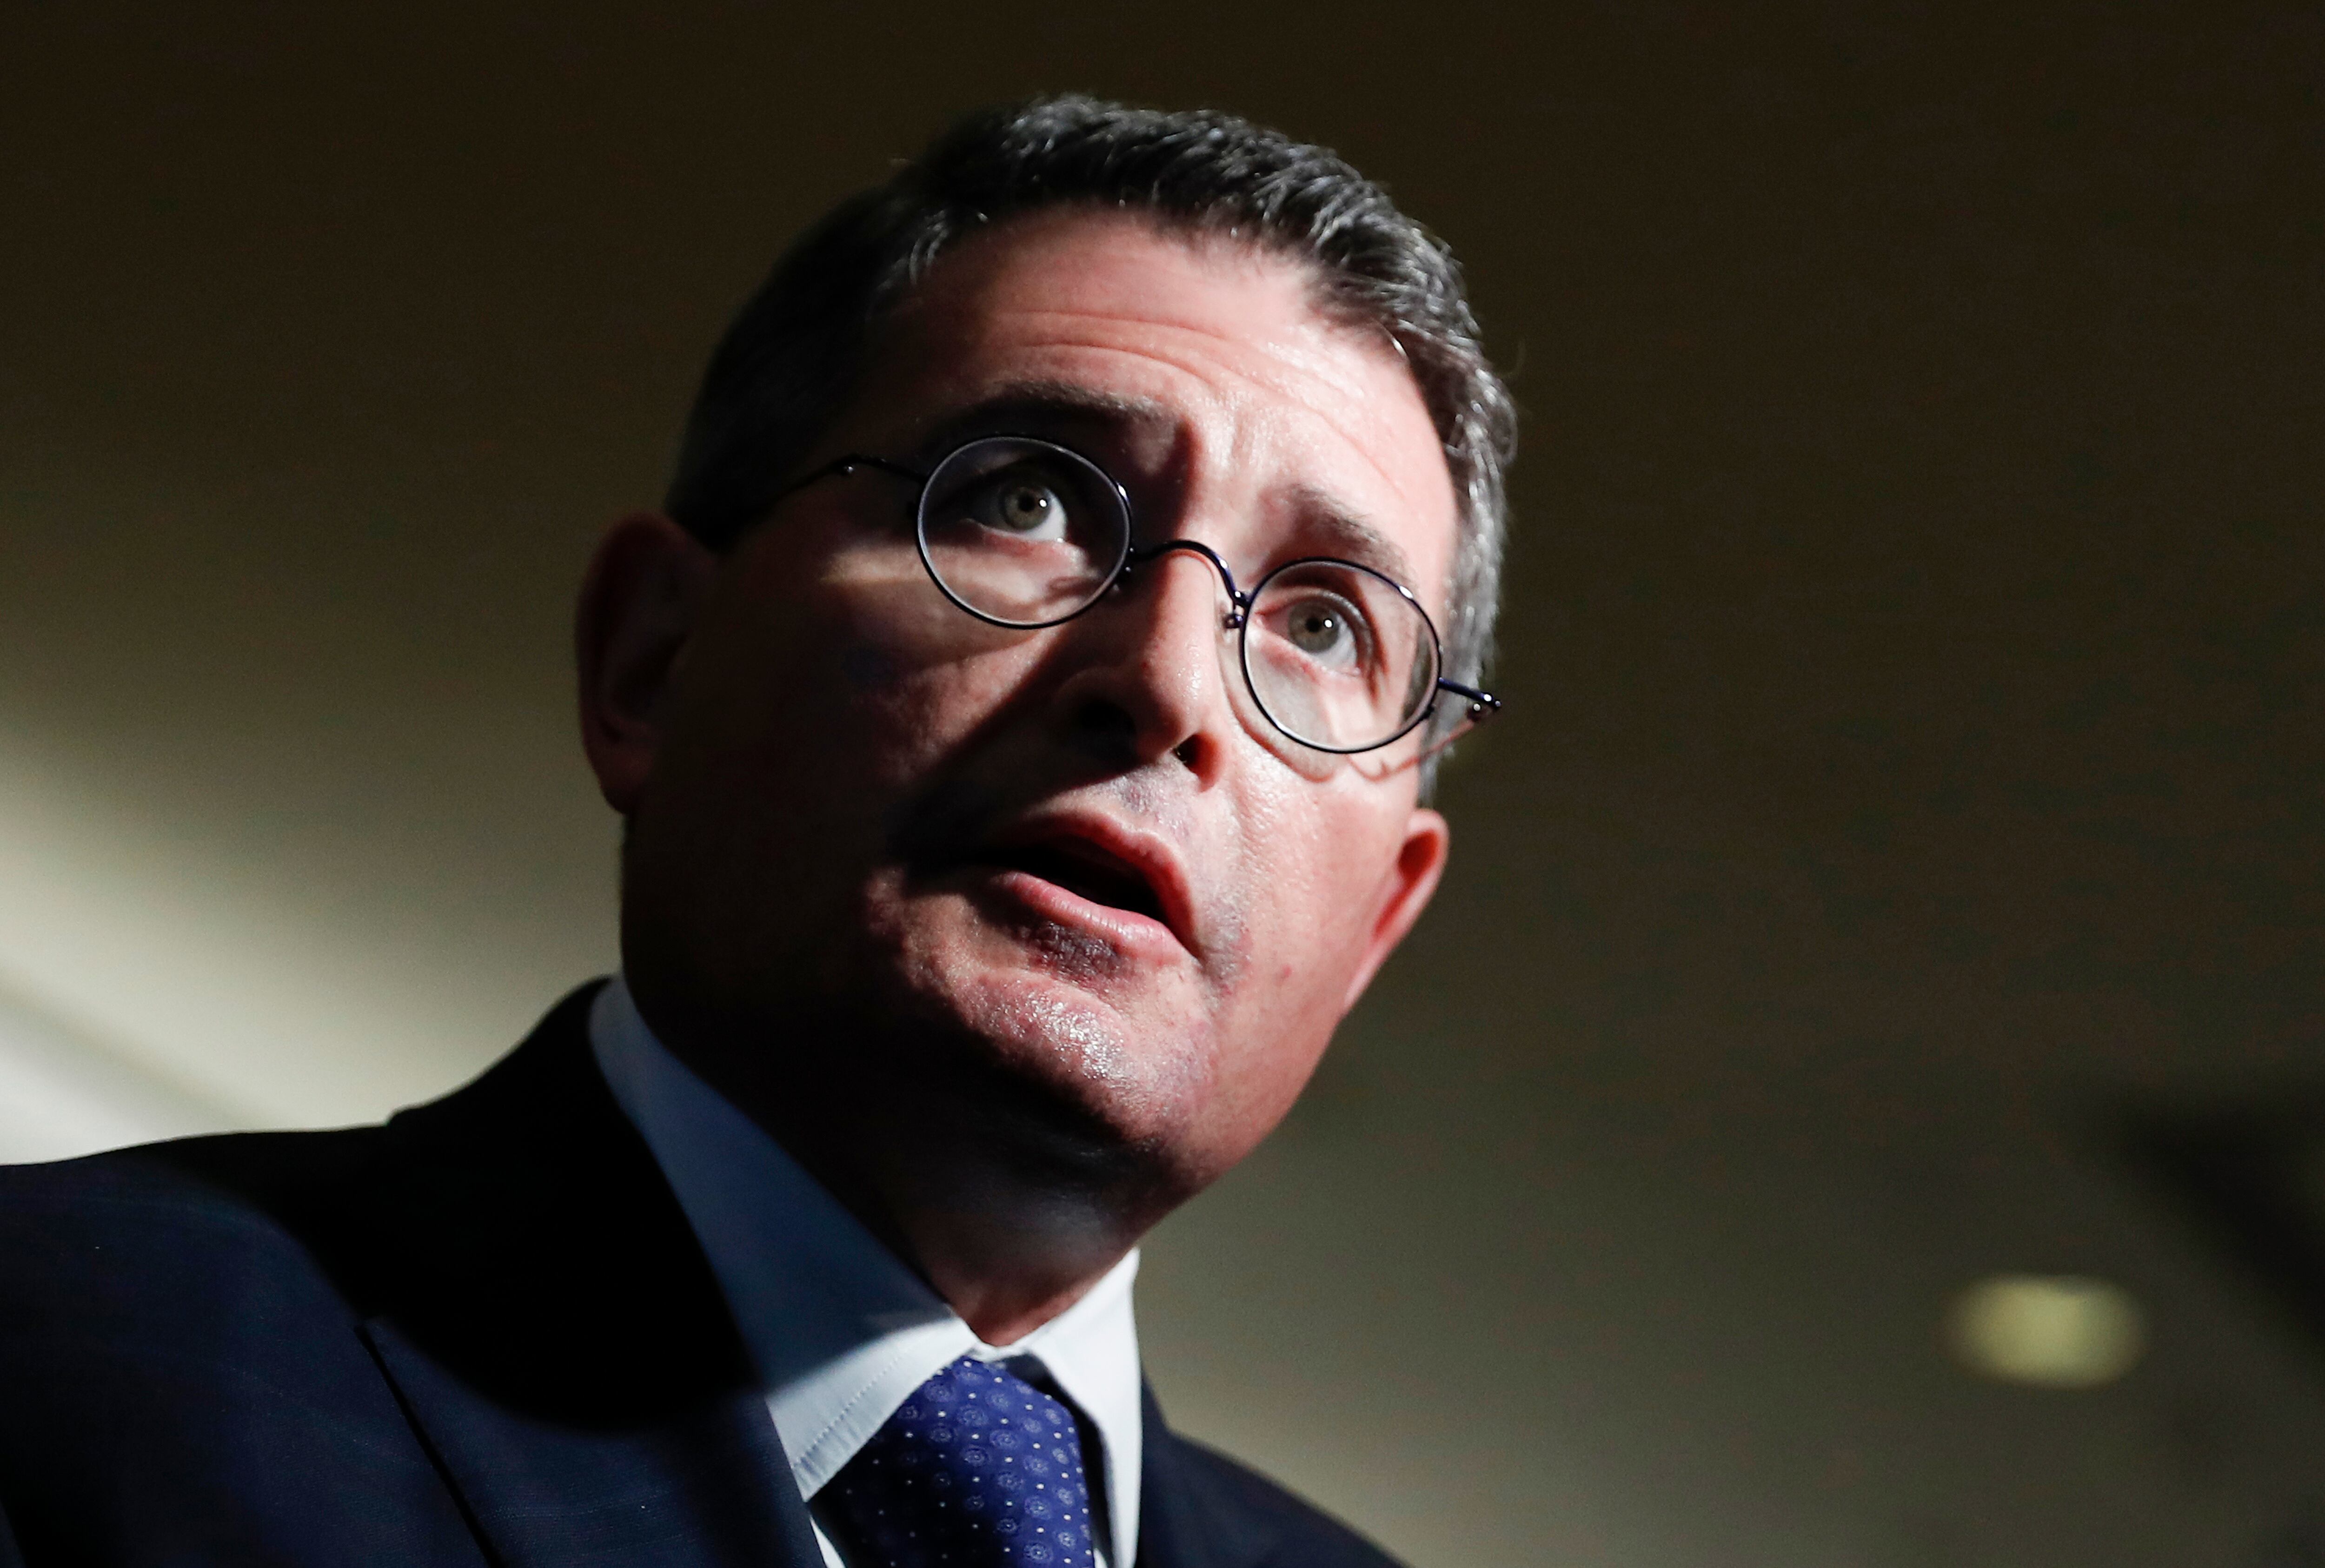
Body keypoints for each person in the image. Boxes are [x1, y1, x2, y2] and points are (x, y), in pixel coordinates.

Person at [0, 95, 1515, 1568]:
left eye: (1325, 621)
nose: (1170, 680)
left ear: (1379, 922)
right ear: (653, 658)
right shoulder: (63, 1356)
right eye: (1033, 499)